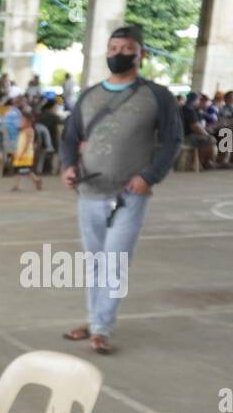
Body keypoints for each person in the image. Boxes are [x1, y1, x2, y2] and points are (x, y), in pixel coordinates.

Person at [60, 25, 182, 355]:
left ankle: (101, 327)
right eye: (113, 48)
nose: (118, 54)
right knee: (94, 261)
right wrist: (68, 166)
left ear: (140, 53)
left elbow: (173, 140)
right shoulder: (89, 95)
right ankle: (94, 318)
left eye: (126, 48)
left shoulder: (157, 95)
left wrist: (150, 176)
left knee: (114, 262)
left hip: (130, 193)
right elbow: (70, 138)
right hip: (90, 191)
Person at [10, 111, 42, 192]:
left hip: (25, 154)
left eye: (23, 121)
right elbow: (20, 143)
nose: (21, 122)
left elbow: (27, 143)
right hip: (20, 153)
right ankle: (17, 185)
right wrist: (17, 152)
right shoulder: (22, 131)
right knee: (19, 170)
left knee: (26, 170)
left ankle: (36, 180)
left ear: (28, 122)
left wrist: (22, 153)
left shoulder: (29, 130)